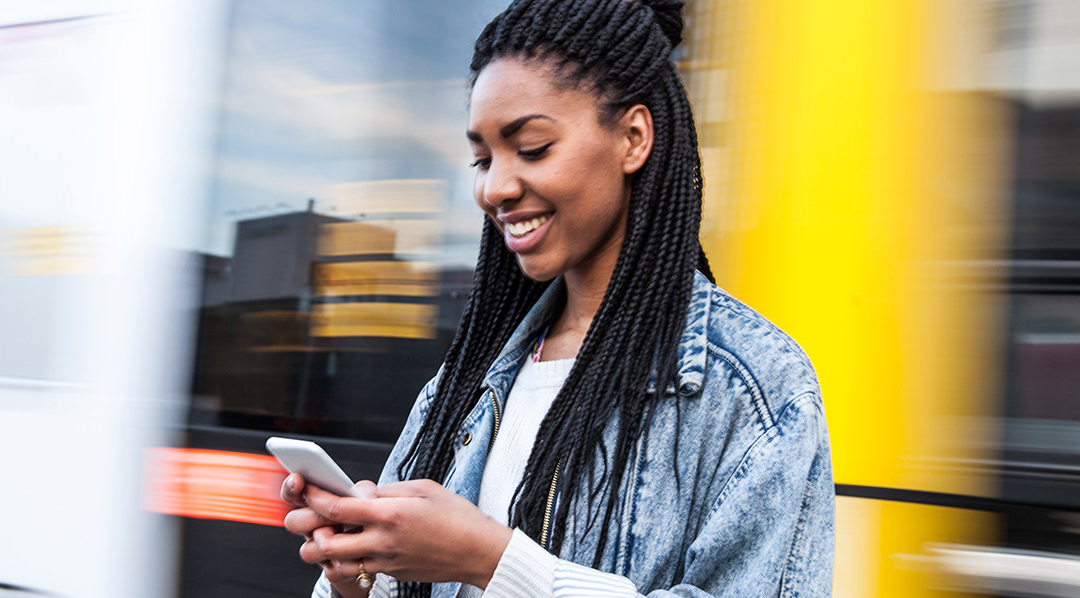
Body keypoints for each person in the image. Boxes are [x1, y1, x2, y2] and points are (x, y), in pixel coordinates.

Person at [281, 0, 835, 596]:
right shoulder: (468, 379)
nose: (494, 187)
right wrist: (361, 575)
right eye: (482, 158)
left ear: (633, 138)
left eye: (534, 147)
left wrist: (492, 561)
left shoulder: (756, 391)